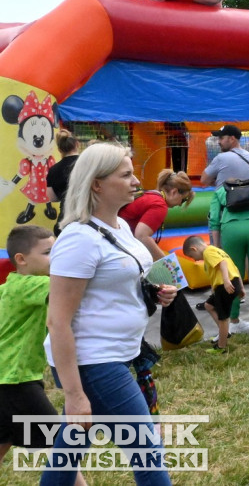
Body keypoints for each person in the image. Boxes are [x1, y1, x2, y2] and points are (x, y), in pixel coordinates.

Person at [43, 142, 176, 486]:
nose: (136, 182)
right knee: (149, 454)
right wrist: (74, 395)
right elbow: (57, 321)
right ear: (97, 184)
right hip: (94, 362)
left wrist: (159, 290)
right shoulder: (78, 239)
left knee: (67, 456)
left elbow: (130, 278)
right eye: (126, 174)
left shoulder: (121, 227)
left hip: (118, 354)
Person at [0, 227, 85, 482]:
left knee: (5, 438)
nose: (57, 258)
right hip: (15, 380)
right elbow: (70, 288)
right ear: (21, 260)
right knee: (62, 443)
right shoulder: (32, 285)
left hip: (9, 378)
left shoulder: (10, 286)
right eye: (49, 253)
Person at [209, 165, 249, 333]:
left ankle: (235, 321)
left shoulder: (220, 192)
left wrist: (217, 249)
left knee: (233, 275)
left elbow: (214, 222)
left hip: (232, 230)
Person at [182, 235, 243, 354]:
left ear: (194, 249)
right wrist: (240, 286)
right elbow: (234, 267)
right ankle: (225, 333)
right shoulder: (217, 250)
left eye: (191, 256)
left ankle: (221, 347)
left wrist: (226, 281)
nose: (194, 260)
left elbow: (223, 264)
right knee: (208, 305)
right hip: (232, 282)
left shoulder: (208, 252)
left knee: (223, 317)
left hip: (225, 286)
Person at [118, 168, 195, 260]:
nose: (179, 204)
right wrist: (167, 263)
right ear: (174, 192)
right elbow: (141, 235)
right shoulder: (160, 205)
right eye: (183, 200)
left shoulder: (149, 194)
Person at [200, 124, 249, 188]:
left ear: (232, 139)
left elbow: (204, 180)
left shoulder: (221, 158)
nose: (218, 142)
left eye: (221, 138)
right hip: (248, 196)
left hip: (226, 197)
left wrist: (220, 182)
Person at [45, 129, 80, 236]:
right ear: (77, 144)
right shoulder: (88, 163)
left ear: (60, 150)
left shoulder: (53, 170)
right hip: (89, 215)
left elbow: (52, 198)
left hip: (65, 219)